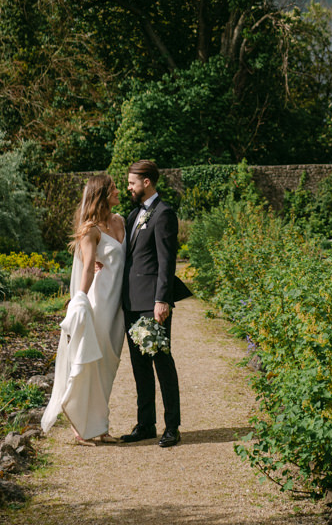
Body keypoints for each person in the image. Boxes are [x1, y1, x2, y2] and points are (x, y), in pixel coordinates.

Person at [41, 174, 126, 443]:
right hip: (99, 303)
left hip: (119, 307)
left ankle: (100, 426)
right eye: (113, 188)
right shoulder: (90, 230)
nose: (118, 191)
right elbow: (88, 266)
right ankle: (81, 427)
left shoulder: (120, 221)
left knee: (109, 368)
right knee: (93, 366)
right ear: (100, 194)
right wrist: (79, 299)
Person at [120, 159, 191, 447]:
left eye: (131, 183)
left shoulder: (163, 214)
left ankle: (171, 426)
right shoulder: (133, 214)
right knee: (139, 366)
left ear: (146, 182)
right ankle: (145, 424)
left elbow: (166, 261)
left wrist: (163, 299)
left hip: (153, 303)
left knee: (162, 363)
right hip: (131, 301)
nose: (129, 188)